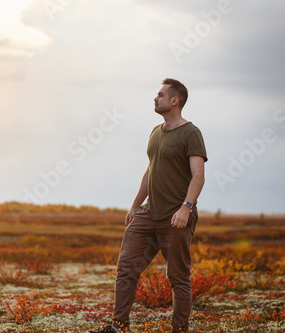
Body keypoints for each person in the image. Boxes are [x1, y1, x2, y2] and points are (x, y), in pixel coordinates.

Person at [87, 78, 207, 333]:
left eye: (161, 95)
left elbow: (198, 175)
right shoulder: (155, 131)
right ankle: (119, 327)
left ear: (175, 101)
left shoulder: (191, 133)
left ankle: (179, 329)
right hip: (147, 214)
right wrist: (134, 206)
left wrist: (186, 208)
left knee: (178, 278)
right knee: (125, 270)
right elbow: (150, 171)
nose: (155, 98)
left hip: (175, 217)